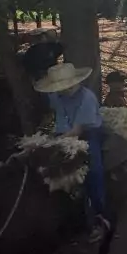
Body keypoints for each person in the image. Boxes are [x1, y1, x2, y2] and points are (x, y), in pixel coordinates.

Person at [34, 63, 109, 240]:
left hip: (87, 134)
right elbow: (57, 116)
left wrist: (55, 141)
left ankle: (101, 217)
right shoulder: (56, 96)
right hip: (63, 134)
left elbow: (77, 130)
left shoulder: (87, 98)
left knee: (93, 171)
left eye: (63, 87)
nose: (60, 90)